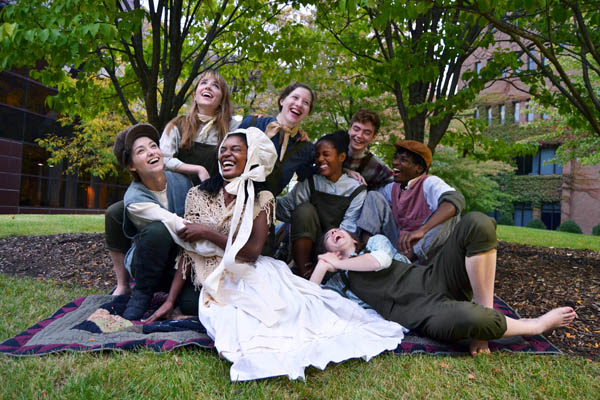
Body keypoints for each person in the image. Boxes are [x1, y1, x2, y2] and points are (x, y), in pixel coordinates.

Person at [146, 127, 406, 381]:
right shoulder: (197, 194)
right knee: (212, 310)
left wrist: (207, 232)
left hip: (249, 270)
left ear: (252, 157)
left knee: (293, 315)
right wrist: (170, 300)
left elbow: (250, 253)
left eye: (236, 149)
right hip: (212, 276)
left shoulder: (261, 198)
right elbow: (187, 253)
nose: (227, 154)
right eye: (223, 150)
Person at [311, 213, 577, 356]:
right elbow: (310, 299)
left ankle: (485, 316)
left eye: (338, 230)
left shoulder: (375, 243)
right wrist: (323, 267)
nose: (334, 232)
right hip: (424, 313)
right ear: (327, 250)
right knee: (468, 316)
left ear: (353, 239)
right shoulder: (340, 283)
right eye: (328, 237)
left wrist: (339, 263)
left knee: (477, 223)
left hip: (434, 277)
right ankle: (537, 324)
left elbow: (379, 261)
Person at [105, 70, 239, 296]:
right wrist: (197, 169)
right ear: (195, 94)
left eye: (215, 86)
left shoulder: (231, 127)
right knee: (116, 212)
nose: (208, 87)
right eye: (203, 83)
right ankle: (123, 283)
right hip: (177, 186)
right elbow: (164, 158)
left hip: (212, 193)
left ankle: (188, 282)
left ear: (222, 97)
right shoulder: (177, 125)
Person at [111, 123, 192, 320]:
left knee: (192, 305)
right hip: (147, 262)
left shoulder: (183, 182)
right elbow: (176, 224)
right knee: (159, 230)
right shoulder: (135, 199)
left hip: (181, 263)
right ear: (131, 165)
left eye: (153, 146)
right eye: (141, 151)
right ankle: (142, 294)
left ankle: (177, 295)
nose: (151, 152)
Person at [357, 140, 465, 264]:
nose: (395, 162)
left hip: (422, 250)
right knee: (373, 196)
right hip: (397, 244)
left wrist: (422, 230)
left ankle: (406, 260)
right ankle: (368, 251)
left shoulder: (430, 183)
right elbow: (372, 209)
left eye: (403, 160)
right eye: (396, 158)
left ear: (418, 168)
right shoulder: (393, 187)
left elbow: (455, 200)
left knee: (452, 214)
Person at [276, 131, 366, 278]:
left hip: (336, 249)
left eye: (326, 154)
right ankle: (303, 271)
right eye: (317, 155)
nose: (320, 159)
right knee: (304, 210)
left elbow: (349, 229)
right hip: (304, 247)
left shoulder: (356, 189)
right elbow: (286, 208)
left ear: (341, 157)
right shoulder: (311, 182)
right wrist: (261, 197)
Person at [238, 82, 315, 197]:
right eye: (295, 97)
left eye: (306, 102)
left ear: (308, 112)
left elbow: (310, 174)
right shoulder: (253, 124)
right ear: (282, 101)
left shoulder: (305, 148)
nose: (299, 104)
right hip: (231, 196)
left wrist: (345, 170)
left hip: (264, 208)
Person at [343, 109, 393, 190]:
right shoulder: (331, 152)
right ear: (349, 129)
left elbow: (396, 186)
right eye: (356, 129)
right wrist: (344, 171)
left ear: (373, 137)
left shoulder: (378, 166)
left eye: (367, 133)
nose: (359, 135)